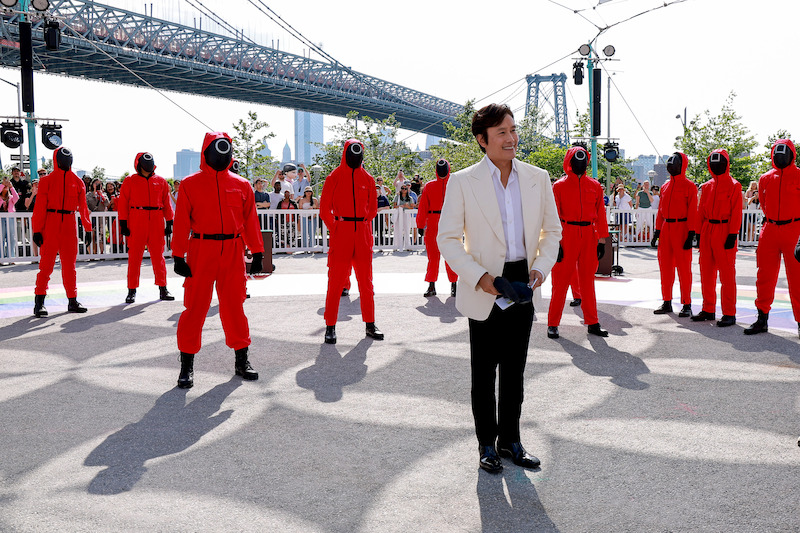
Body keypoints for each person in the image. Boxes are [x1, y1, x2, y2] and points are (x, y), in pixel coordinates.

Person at [438, 103, 561, 474]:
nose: (511, 139)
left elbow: (551, 232)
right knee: (484, 372)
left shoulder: (538, 177)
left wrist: (539, 271)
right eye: (502, 133)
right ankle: (486, 444)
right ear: (482, 140)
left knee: (515, 369)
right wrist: (483, 280)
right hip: (484, 282)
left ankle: (511, 440)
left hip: (524, 279)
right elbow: (447, 239)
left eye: (513, 130)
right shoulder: (461, 181)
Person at [171, 132, 264, 389]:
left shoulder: (242, 184)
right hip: (201, 248)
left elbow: (250, 222)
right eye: (216, 149)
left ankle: (241, 360)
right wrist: (178, 255)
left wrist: (258, 252)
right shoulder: (190, 184)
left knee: (234, 306)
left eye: (226, 150)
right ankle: (186, 365)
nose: (222, 154)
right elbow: (180, 223)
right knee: (195, 307)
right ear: (206, 152)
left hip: (233, 249)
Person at [319, 138, 383, 344]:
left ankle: (370, 324)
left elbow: (373, 209)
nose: (355, 156)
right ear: (346, 153)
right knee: (336, 282)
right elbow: (324, 210)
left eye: (358, 152)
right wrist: (335, 227)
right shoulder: (334, 177)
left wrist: (363, 224)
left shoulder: (369, 179)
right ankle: (330, 326)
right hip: (342, 232)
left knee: (366, 282)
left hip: (362, 233)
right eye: (352, 152)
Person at [547, 146, 610, 339]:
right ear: (569, 162)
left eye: (583, 161)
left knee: (588, 282)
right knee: (560, 282)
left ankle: (592, 322)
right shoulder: (558, 186)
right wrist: (555, 242)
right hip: (567, 234)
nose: (580, 164)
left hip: (588, 234)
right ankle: (553, 323)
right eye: (576, 160)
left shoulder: (595, 186)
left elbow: (600, 214)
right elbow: (553, 216)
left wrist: (601, 240)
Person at [746, 140, 800, 337]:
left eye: (785, 152)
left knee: (798, 279)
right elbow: (764, 202)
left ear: (792, 154)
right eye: (777, 151)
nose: (780, 155)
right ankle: (762, 318)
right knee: (764, 276)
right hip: (769, 229)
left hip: (795, 229)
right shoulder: (765, 178)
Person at [31, 147, 93, 317]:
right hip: (50, 224)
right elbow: (40, 208)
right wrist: (37, 230)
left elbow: (84, 208)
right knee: (46, 266)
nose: (66, 161)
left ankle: (72, 300)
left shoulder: (78, 182)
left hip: (69, 225)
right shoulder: (46, 181)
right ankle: (39, 302)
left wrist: (87, 228)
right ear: (56, 159)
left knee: (70, 266)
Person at [692, 149, 742, 327]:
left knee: (727, 275)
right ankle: (708, 309)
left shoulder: (735, 185)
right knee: (706, 273)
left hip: (724, 229)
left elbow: (736, 212)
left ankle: (729, 313)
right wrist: (698, 233)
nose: (716, 164)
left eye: (719, 161)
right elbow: (700, 212)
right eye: (713, 161)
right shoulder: (706, 186)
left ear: (726, 163)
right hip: (707, 230)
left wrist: (733, 234)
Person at [117, 152, 175, 304]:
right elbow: (123, 203)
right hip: (137, 219)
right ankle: (131, 290)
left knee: (159, 257)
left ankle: (163, 288)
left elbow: (166, 203)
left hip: (156, 220)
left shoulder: (161, 181)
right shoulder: (130, 181)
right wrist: (123, 223)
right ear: (139, 164)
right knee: (134, 258)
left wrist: (169, 221)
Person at [650, 152, 697, 317]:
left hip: (682, 227)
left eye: (674, 161)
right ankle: (667, 301)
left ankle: (687, 304)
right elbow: (661, 211)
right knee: (665, 268)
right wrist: (657, 231)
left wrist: (691, 233)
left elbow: (693, 211)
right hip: (666, 228)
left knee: (684, 269)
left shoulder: (690, 186)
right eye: (670, 161)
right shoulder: (665, 186)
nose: (670, 164)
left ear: (682, 165)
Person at [416, 159, 458, 297]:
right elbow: (423, 207)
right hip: (434, 222)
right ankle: (432, 285)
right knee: (433, 257)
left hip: (449, 222)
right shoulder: (429, 186)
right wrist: (420, 225)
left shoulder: (455, 185)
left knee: (451, 256)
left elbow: (462, 205)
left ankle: (454, 285)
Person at [0, 177, 20, 261]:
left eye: (6, 185)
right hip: (1, 219)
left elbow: (17, 198)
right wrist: (2, 184)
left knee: (11, 237)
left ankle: (11, 257)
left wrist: (11, 187)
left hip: (10, 218)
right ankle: (1, 258)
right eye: (4, 185)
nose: (5, 186)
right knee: (1, 238)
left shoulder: (11, 197)